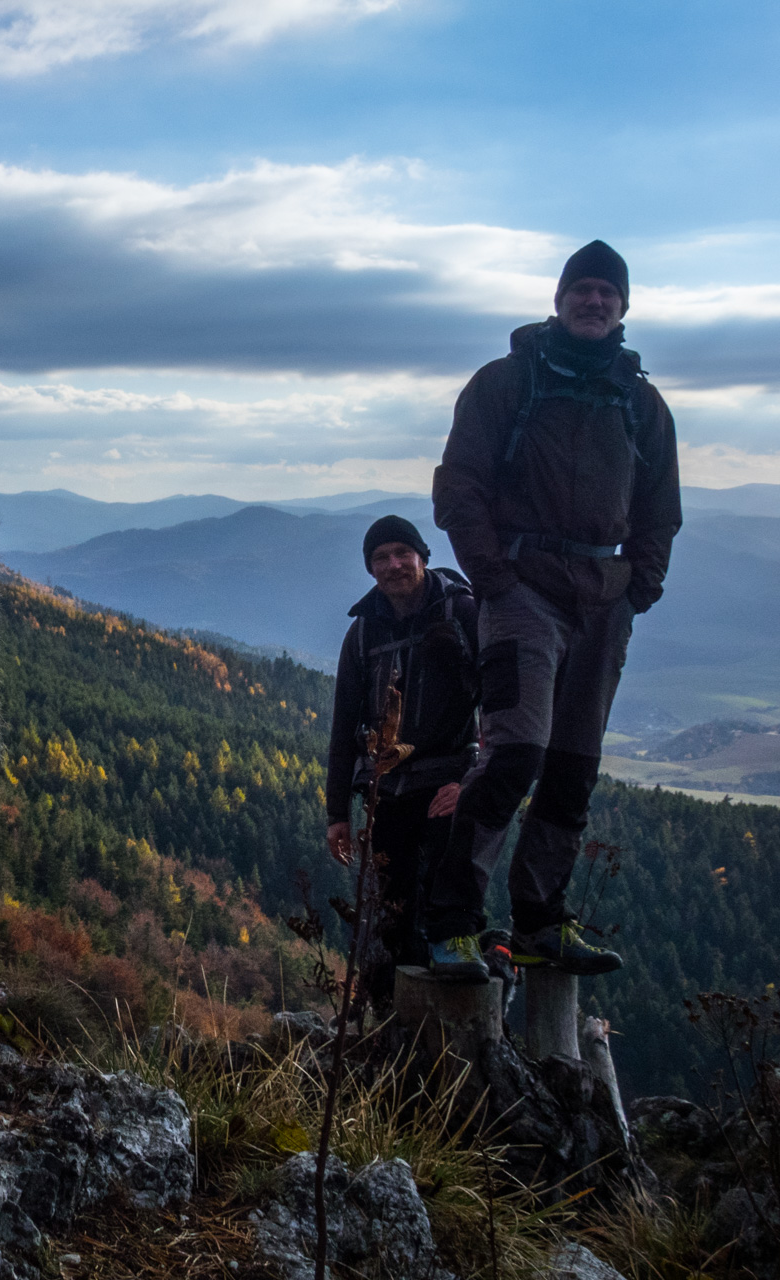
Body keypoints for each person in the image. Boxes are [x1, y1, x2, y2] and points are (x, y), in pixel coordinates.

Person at [424, 240, 681, 979]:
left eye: (607, 292)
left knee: (573, 768)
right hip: (523, 591)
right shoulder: (508, 382)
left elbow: (661, 509)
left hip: (605, 600)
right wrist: (495, 579)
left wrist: (640, 589)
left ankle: (540, 919)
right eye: (583, 290)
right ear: (560, 299)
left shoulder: (641, 403)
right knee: (515, 754)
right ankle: (454, 922)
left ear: (623, 307)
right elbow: (458, 487)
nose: (594, 302)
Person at [326, 514, 480, 1006]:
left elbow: (503, 703)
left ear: (423, 556)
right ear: (370, 569)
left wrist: (477, 780)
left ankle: (453, 1021)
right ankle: (391, 1025)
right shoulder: (364, 633)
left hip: (448, 785)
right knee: (391, 917)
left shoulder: (464, 612)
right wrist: (336, 815)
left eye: (401, 553)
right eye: (380, 557)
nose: (393, 565)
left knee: (446, 907)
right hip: (385, 791)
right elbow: (344, 724)